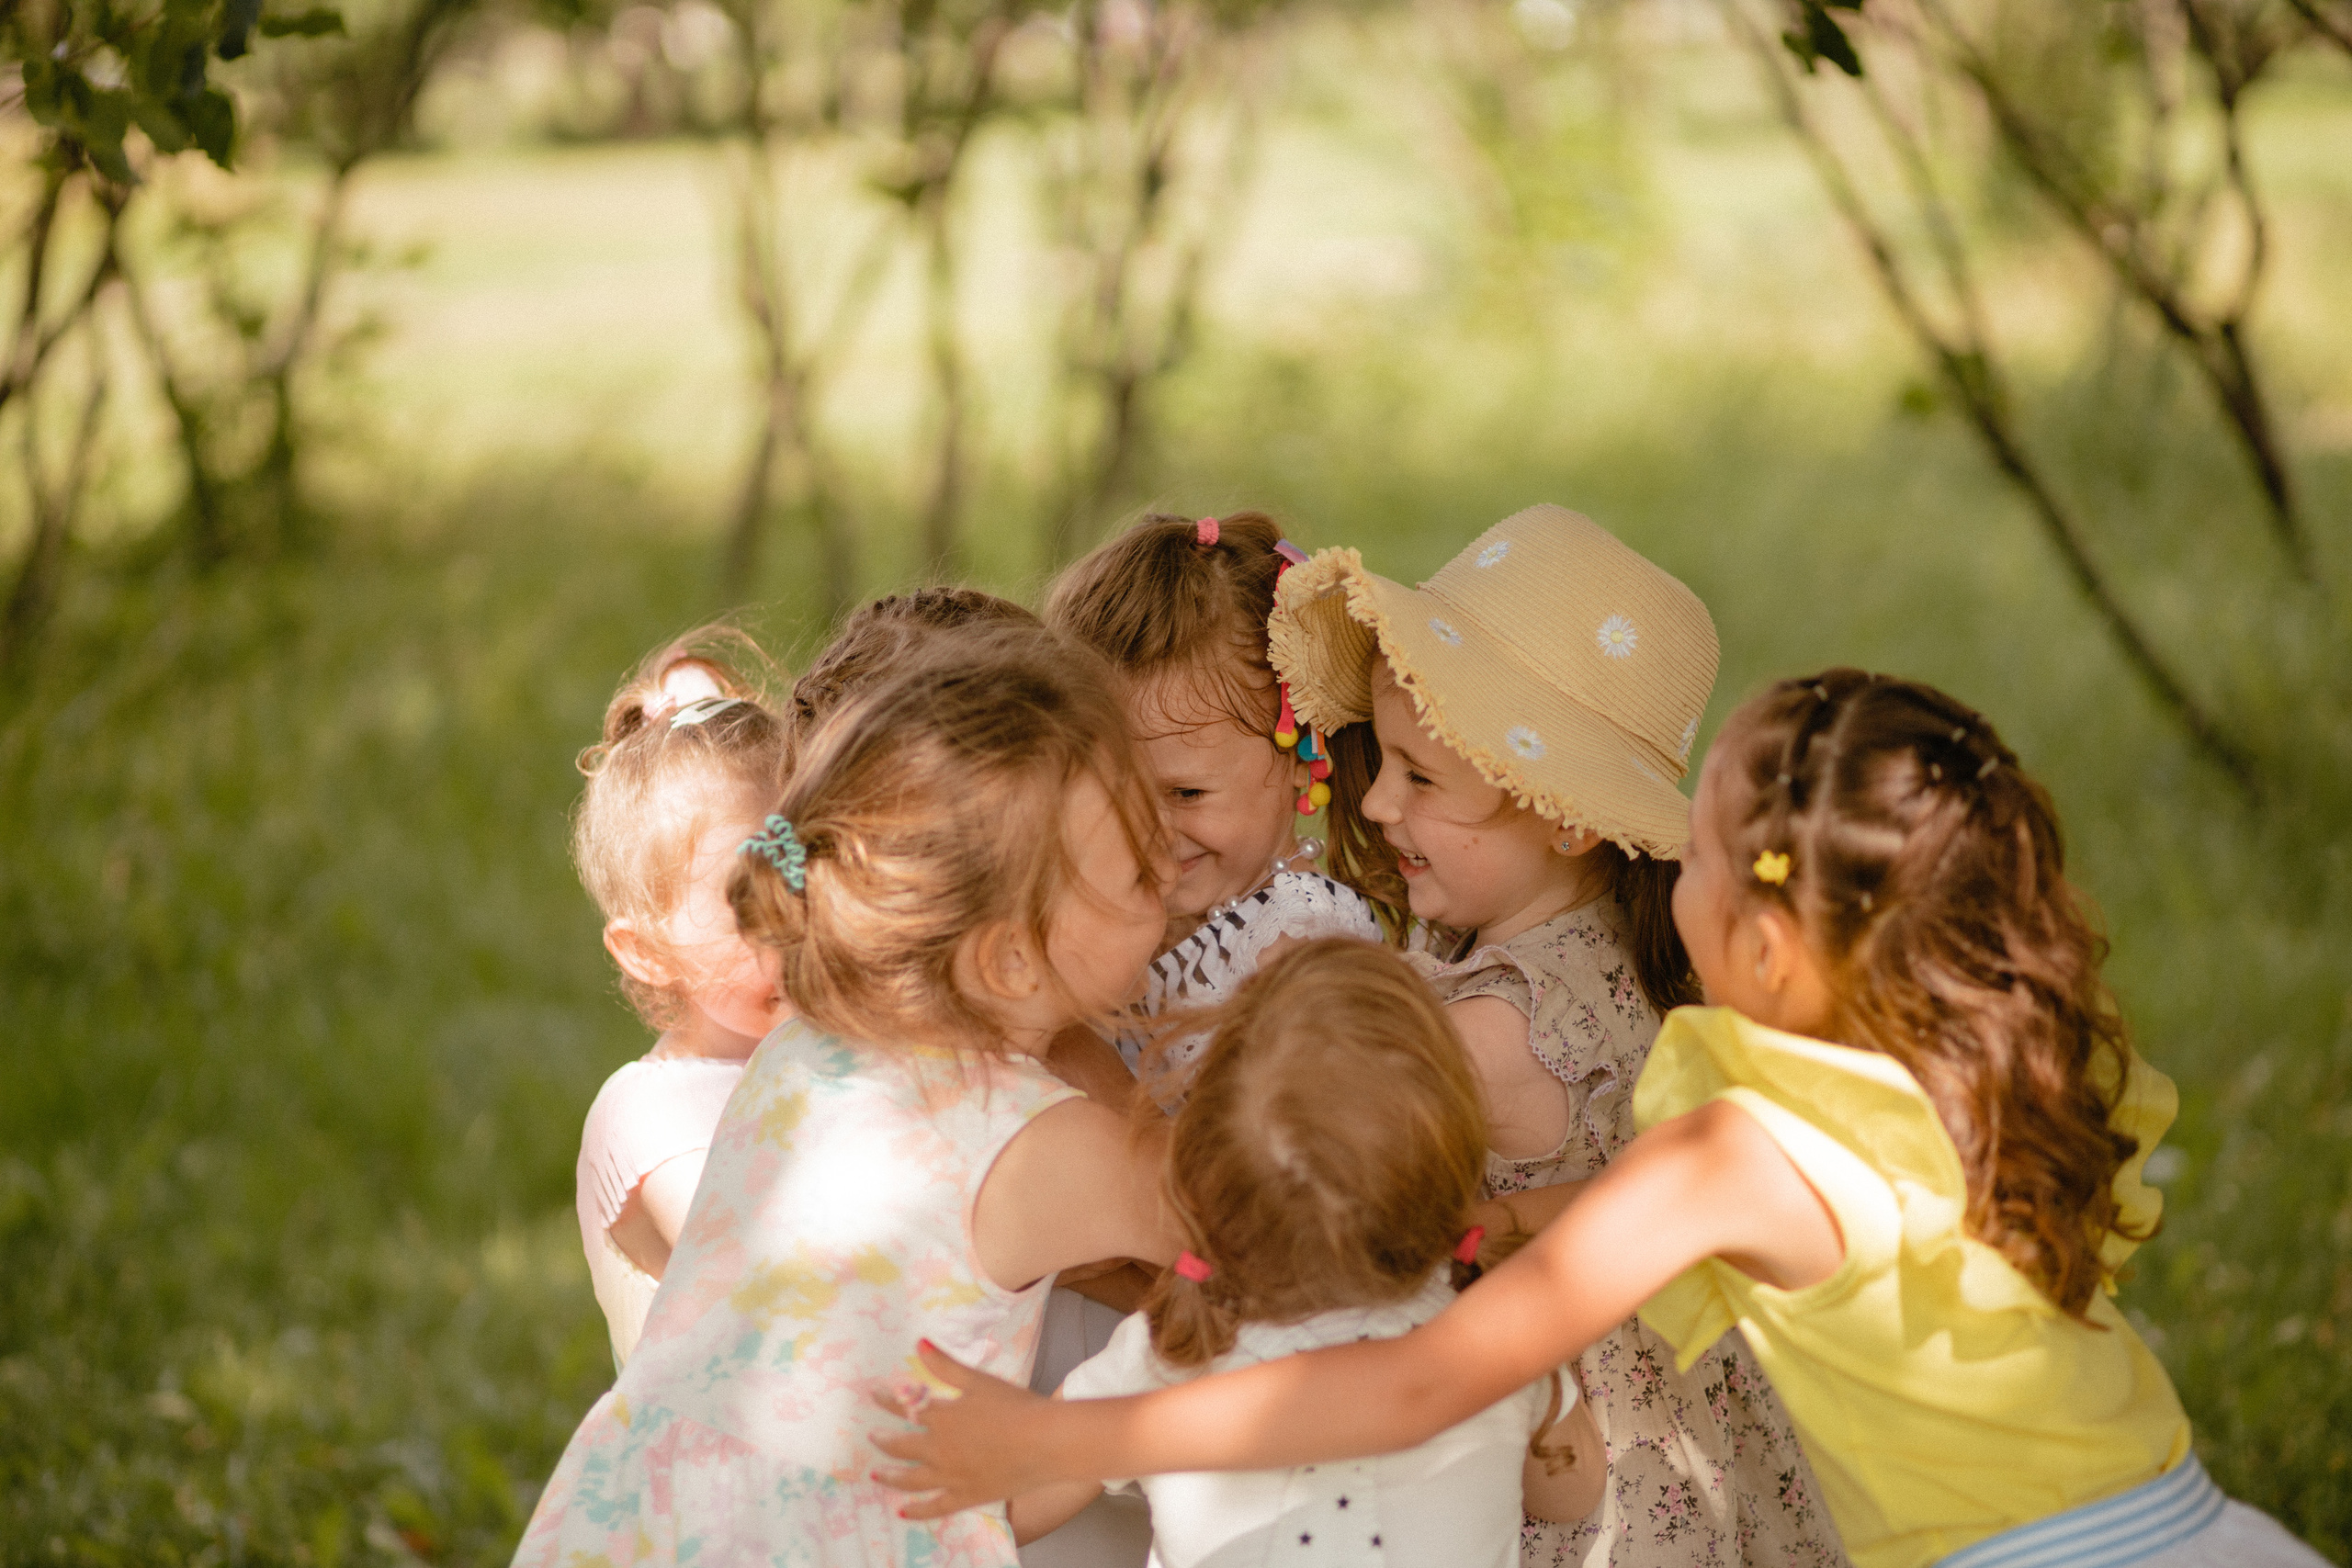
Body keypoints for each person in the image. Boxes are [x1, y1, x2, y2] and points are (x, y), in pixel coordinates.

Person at [873, 670, 2333, 1568]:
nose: (1666, 868)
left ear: (1769, 945)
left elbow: (1413, 1385)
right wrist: (1514, 1216)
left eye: (1692, 847)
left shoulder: (1736, 1145)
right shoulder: (1950, 1068)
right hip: (2180, 1522)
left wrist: (1059, 1433)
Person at [515, 625, 1187, 1568]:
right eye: (1141, 872)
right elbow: (1273, 1239)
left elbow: (950, 1494)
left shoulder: (803, 1048)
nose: (1176, 872)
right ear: (1009, 953)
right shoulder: (1048, 1147)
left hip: (639, 1522)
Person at [1262, 503, 1843, 1565]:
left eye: (1422, 777)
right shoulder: (1623, 953)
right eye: (1384, 762)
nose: (1381, 803)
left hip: (1574, 1476)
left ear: (1564, 812)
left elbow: (1288, 1178)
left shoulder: (1490, 1033)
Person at [1025, 511, 1392, 1567]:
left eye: (1188, 793)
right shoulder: (1093, 922)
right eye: (1114, 792)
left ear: (1300, 764)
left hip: (1220, 1381)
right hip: (1087, 1358)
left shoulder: (1304, 955)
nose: (1151, 830)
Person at [1009, 939, 1603, 1568]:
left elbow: (1011, 1509)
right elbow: (1574, 1493)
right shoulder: (1493, 1330)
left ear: (1202, 1171)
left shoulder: (1168, 1348)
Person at [568, 624, 791, 1368]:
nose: (795, 924)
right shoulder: (649, 1116)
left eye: (808, 865)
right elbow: (779, 1288)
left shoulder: (840, 1050)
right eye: (747, 902)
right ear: (645, 949)